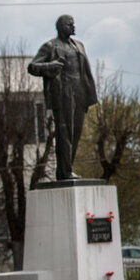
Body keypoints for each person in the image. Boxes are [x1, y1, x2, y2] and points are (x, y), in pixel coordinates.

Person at [28, 14, 99, 181]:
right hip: (63, 92)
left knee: (76, 133)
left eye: (73, 24)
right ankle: (65, 172)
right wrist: (51, 66)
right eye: (70, 24)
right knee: (65, 133)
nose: (74, 27)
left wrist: (90, 95)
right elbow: (32, 67)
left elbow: (86, 72)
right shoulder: (50, 46)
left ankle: (65, 170)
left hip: (79, 92)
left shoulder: (79, 45)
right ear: (61, 27)